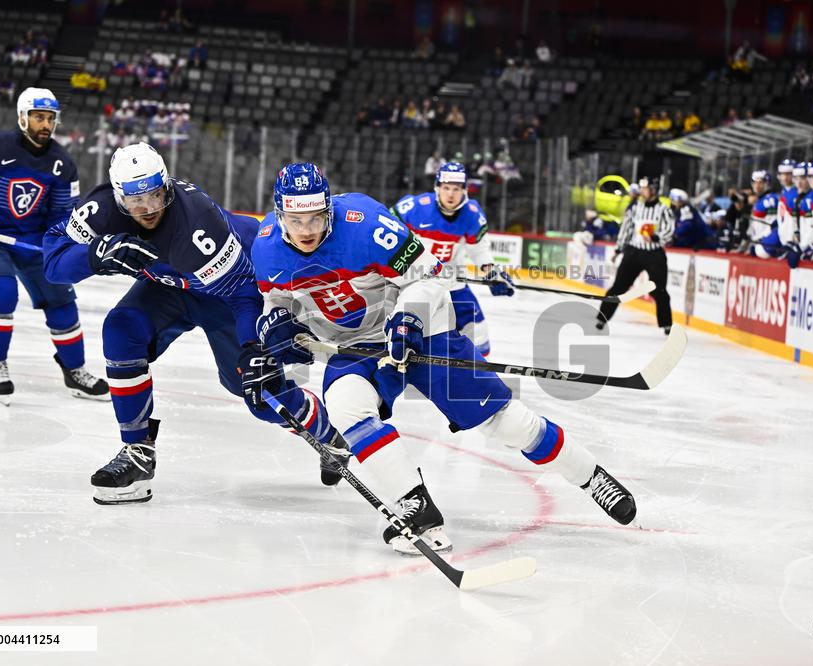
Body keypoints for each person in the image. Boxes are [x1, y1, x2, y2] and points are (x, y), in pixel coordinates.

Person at [249, 163, 636, 554]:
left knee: (507, 424)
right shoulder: (265, 247)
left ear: (329, 209)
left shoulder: (365, 222)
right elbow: (275, 300)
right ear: (280, 213)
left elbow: (430, 275)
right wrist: (277, 328)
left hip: (420, 330)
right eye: (296, 220)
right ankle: (417, 509)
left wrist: (408, 318)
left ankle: (591, 476)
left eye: (316, 217)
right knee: (346, 405)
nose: (307, 230)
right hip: (353, 346)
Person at [42, 145, 348, 505]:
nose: (148, 210)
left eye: (156, 196)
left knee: (257, 394)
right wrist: (94, 254)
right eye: (136, 202)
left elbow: (240, 293)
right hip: (170, 285)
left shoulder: (196, 222)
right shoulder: (101, 209)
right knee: (121, 330)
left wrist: (252, 346)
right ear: (118, 197)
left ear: (167, 187)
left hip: (232, 289)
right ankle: (137, 452)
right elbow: (53, 263)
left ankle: (328, 434)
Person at [0, 87, 107, 405]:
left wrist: (60, 246)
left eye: (50, 118)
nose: (45, 124)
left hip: (31, 242)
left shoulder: (62, 164)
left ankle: (74, 369)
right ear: (22, 117)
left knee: (62, 299)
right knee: (2, 293)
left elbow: (61, 215)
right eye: (38, 117)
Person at [390, 162, 513, 356]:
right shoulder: (413, 208)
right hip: (413, 280)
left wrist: (492, 273)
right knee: (403, 330)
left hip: (450, 280)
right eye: (446, 188)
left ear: (465, 190)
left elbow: (479, 249)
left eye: (456, 189)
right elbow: (389, 233)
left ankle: (476, 377)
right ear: (437, 187)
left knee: (478, 334)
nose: (450, 194)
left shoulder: (472, 214)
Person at [597, 177, 674, 333]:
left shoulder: (664, 210)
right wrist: (619, 249)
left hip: (654, 253)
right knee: (619, 287)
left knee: (659, 290)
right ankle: (602, 317)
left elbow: (669, 230)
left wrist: (655, 237)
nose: (642, 191)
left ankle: (666, 324)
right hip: (634, 251)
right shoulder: (634, 208)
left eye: (645, 188)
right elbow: (626, 229)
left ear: (653, 190)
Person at [748, 170, 782, 258]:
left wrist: (761, 241)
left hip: (765, 246)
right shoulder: (760, 200)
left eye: (760, 182)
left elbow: (772, 226)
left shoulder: (770, 200)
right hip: (758, 243)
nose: (757, 186)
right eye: (755, 182)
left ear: (767, 183)